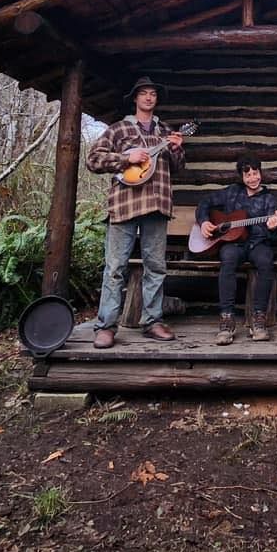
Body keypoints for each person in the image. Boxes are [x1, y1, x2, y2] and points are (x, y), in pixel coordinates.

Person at [85, 76, 185, 348]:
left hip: (157, 204)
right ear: (135, 98)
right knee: (115, 268)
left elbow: (177, 167)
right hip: (124, 205)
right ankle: (106, 325)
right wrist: (125, 158)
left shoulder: (165, 131)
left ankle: (152, 321)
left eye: (153, 93)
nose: (149, 98)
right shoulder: (119, 130)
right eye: (144, 93)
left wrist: (176, 148)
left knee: (156, 267)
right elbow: (93, 160)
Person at [195, 154, 277, 345]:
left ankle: (258, 318)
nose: (252, 178)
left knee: (266, 262)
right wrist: (204, 221)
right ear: (241, 177)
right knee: (228, 259)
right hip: (234, 244)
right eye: (247, 174)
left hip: (258, 244)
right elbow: (204, 203)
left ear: (261, 173)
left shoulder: (269, 200)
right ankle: (227, 318)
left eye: (255, 173)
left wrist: (274, 227)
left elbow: (274, 236)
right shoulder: (232, 192)